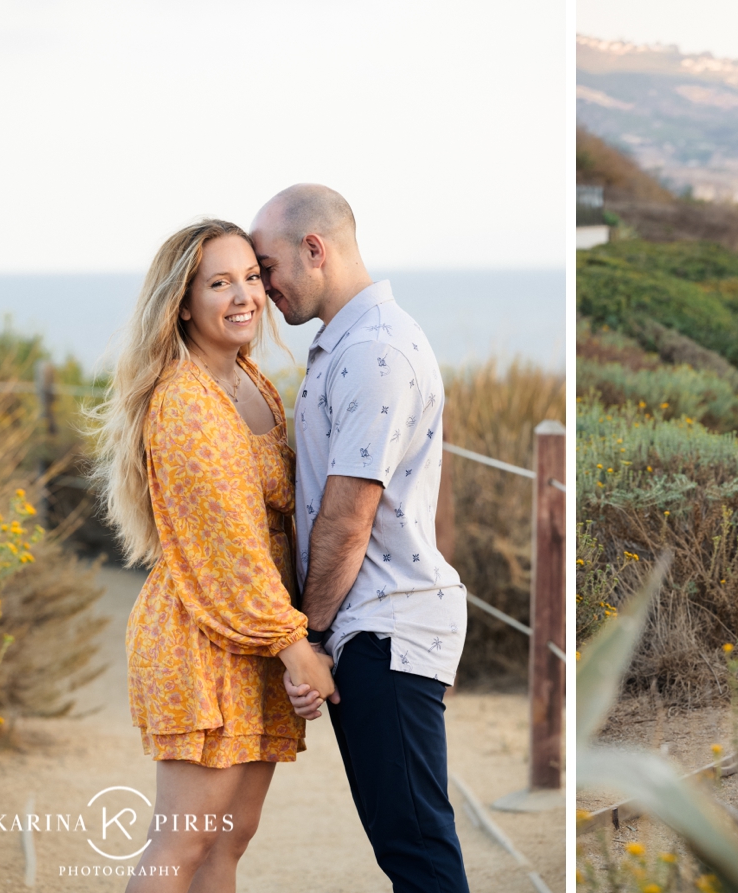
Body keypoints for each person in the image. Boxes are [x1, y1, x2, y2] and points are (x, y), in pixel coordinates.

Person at [91, 219, 335, 892]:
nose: (244, 296)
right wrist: (298, 649)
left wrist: (285, 642)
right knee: (183, 841)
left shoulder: (252, 381)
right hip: (202, 636)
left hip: (254, 635)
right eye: (219, 282)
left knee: (228, 844)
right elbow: (230, 548)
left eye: (252, 277)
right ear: (183, 301)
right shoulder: (186, 401)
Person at [250, 184, 471, 893]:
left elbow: (348, 517)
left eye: (266, 266)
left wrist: (306, 636)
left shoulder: (376, 350)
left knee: (418, 852)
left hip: (387, 632)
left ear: (315, 250)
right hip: (377, 626)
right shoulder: (347, 343)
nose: (262, 287)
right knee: (405, 845)